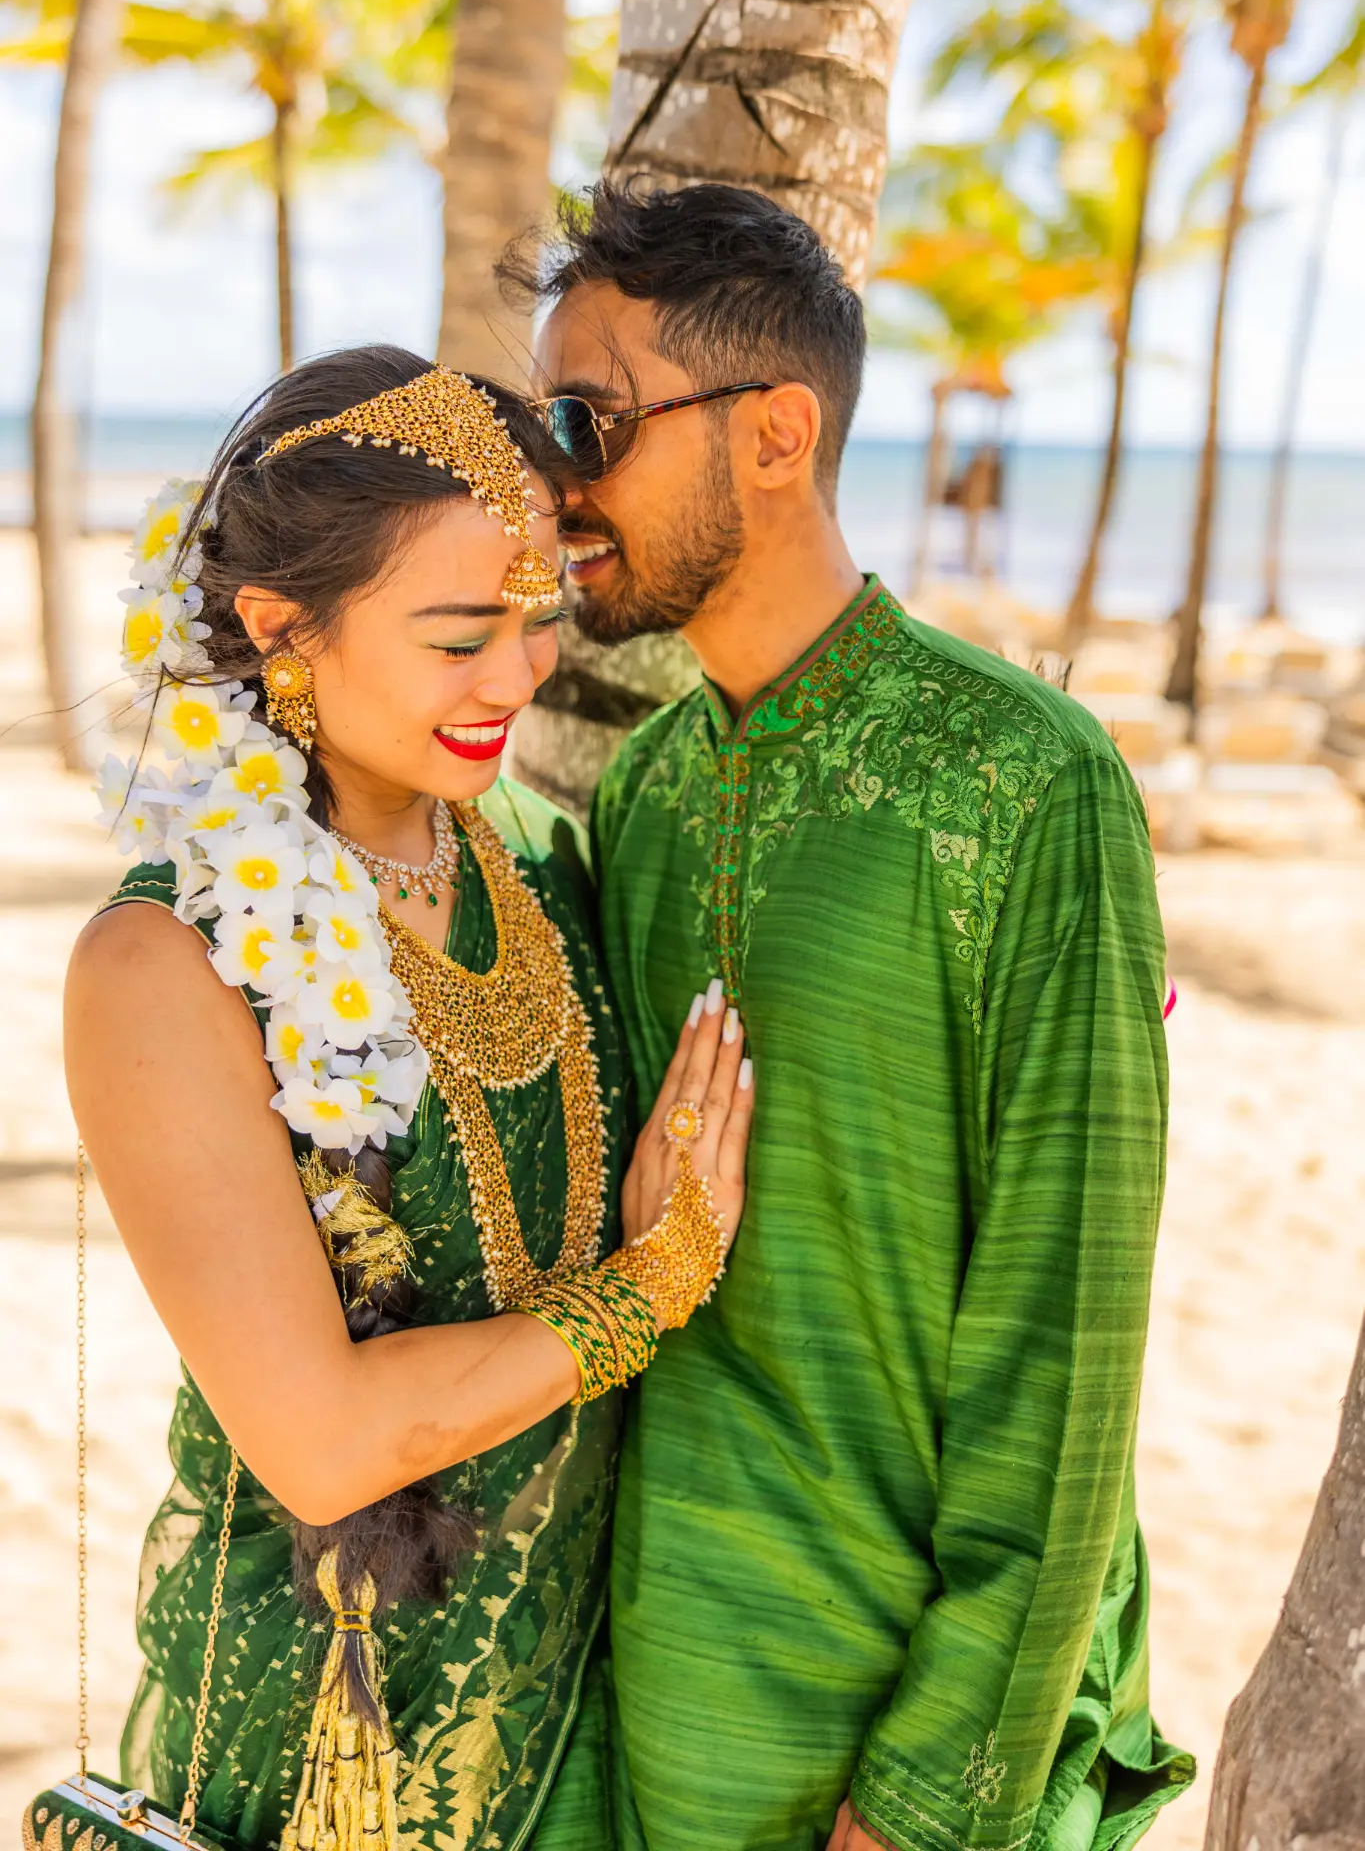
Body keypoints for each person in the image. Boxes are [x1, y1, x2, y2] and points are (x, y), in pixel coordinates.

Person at [511, 184, 1196, 1851]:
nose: (559, 483)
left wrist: (917, 1803)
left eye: (586, 420)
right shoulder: (653, 795)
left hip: (897, 1755)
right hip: (655, 1727)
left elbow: (1068, 1350)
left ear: (776, 431)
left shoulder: (1028, 782)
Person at [63, 345, 752, 1851]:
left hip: (573, 1703)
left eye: (531, 622)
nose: (517, 679)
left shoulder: (527, 852)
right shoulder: (166, 964)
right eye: (458, 639)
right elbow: (320, 1442)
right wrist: (657, 1284)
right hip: (319, 1743)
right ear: (278, 627)